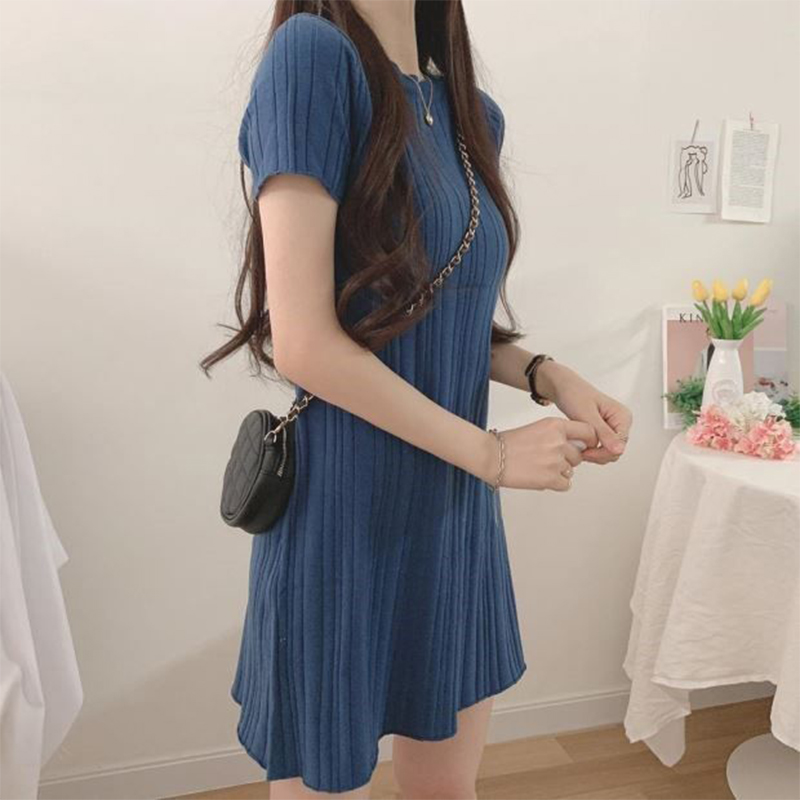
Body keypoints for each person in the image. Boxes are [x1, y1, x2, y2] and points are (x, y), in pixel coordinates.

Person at [200, 1, 633, 797]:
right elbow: (305, 341)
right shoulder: (313, 60)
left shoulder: (472, 115)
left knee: (445, 789)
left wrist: (548, 374)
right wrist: (494, 453)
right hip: (345, 517)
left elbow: (437, 317)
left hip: (452, 516)